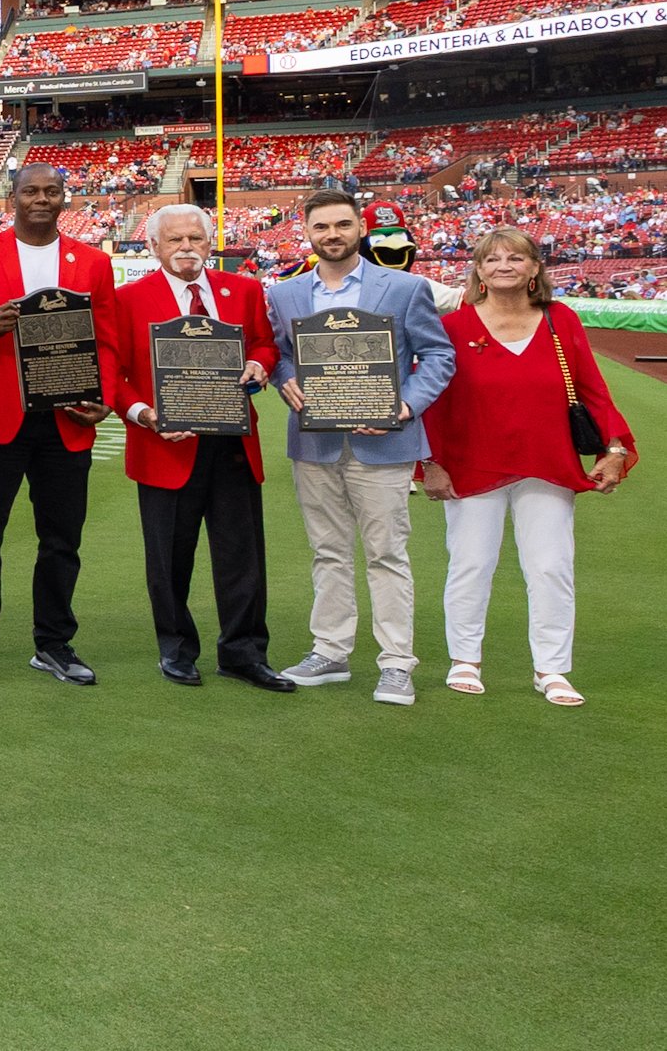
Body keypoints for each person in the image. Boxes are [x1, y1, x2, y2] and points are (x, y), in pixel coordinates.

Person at [266, 188, 457, 706]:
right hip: (316, 443)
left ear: (360, 229)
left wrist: (404, 405)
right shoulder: (285, 294)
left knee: (386, 554)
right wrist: (285, 379)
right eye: (322, 227)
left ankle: (396, 662)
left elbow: (439, 356)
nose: (332, 235)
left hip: (384, 443)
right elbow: (279, 355)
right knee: (327, 552)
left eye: (342, 226)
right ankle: (330, 650)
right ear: (306, 232)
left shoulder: (404, 287)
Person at [424, 228, 627, 705]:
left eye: (516, 257)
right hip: (472, 463)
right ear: (478, 270)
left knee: (551, 567)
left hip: (547, 462)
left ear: (535, 268)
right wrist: (430, 463)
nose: (503, 266)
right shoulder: (454, 327)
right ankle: (465, 660)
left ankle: (551, 668)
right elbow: (434, 401)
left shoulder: (562, 321)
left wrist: (614, 450)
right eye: (491, 259)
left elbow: (593, 390)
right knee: (471, 564)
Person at [0, 161, 118, 686]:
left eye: (52, 191)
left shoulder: (91, 262)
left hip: (67, 416)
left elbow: (106, 337)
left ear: (65, 197)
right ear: (12, 197)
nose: (41, 199)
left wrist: (101, 394)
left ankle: (54, 642)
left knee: (61, 537)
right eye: (30, 191)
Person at [105, 204, 290, 692]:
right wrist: (144, 414)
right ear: (153, 247)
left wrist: (258, 364)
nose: (186, 247)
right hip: (164, 447)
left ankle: (244, 653)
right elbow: (114, 374)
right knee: (168, 559)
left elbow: (266, 345)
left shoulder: (245, 291)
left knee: (242, 556)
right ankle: (176, 648)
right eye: (175, 240)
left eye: (196, 239)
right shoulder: (127, 300)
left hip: (232, 445)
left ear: (211, 244)